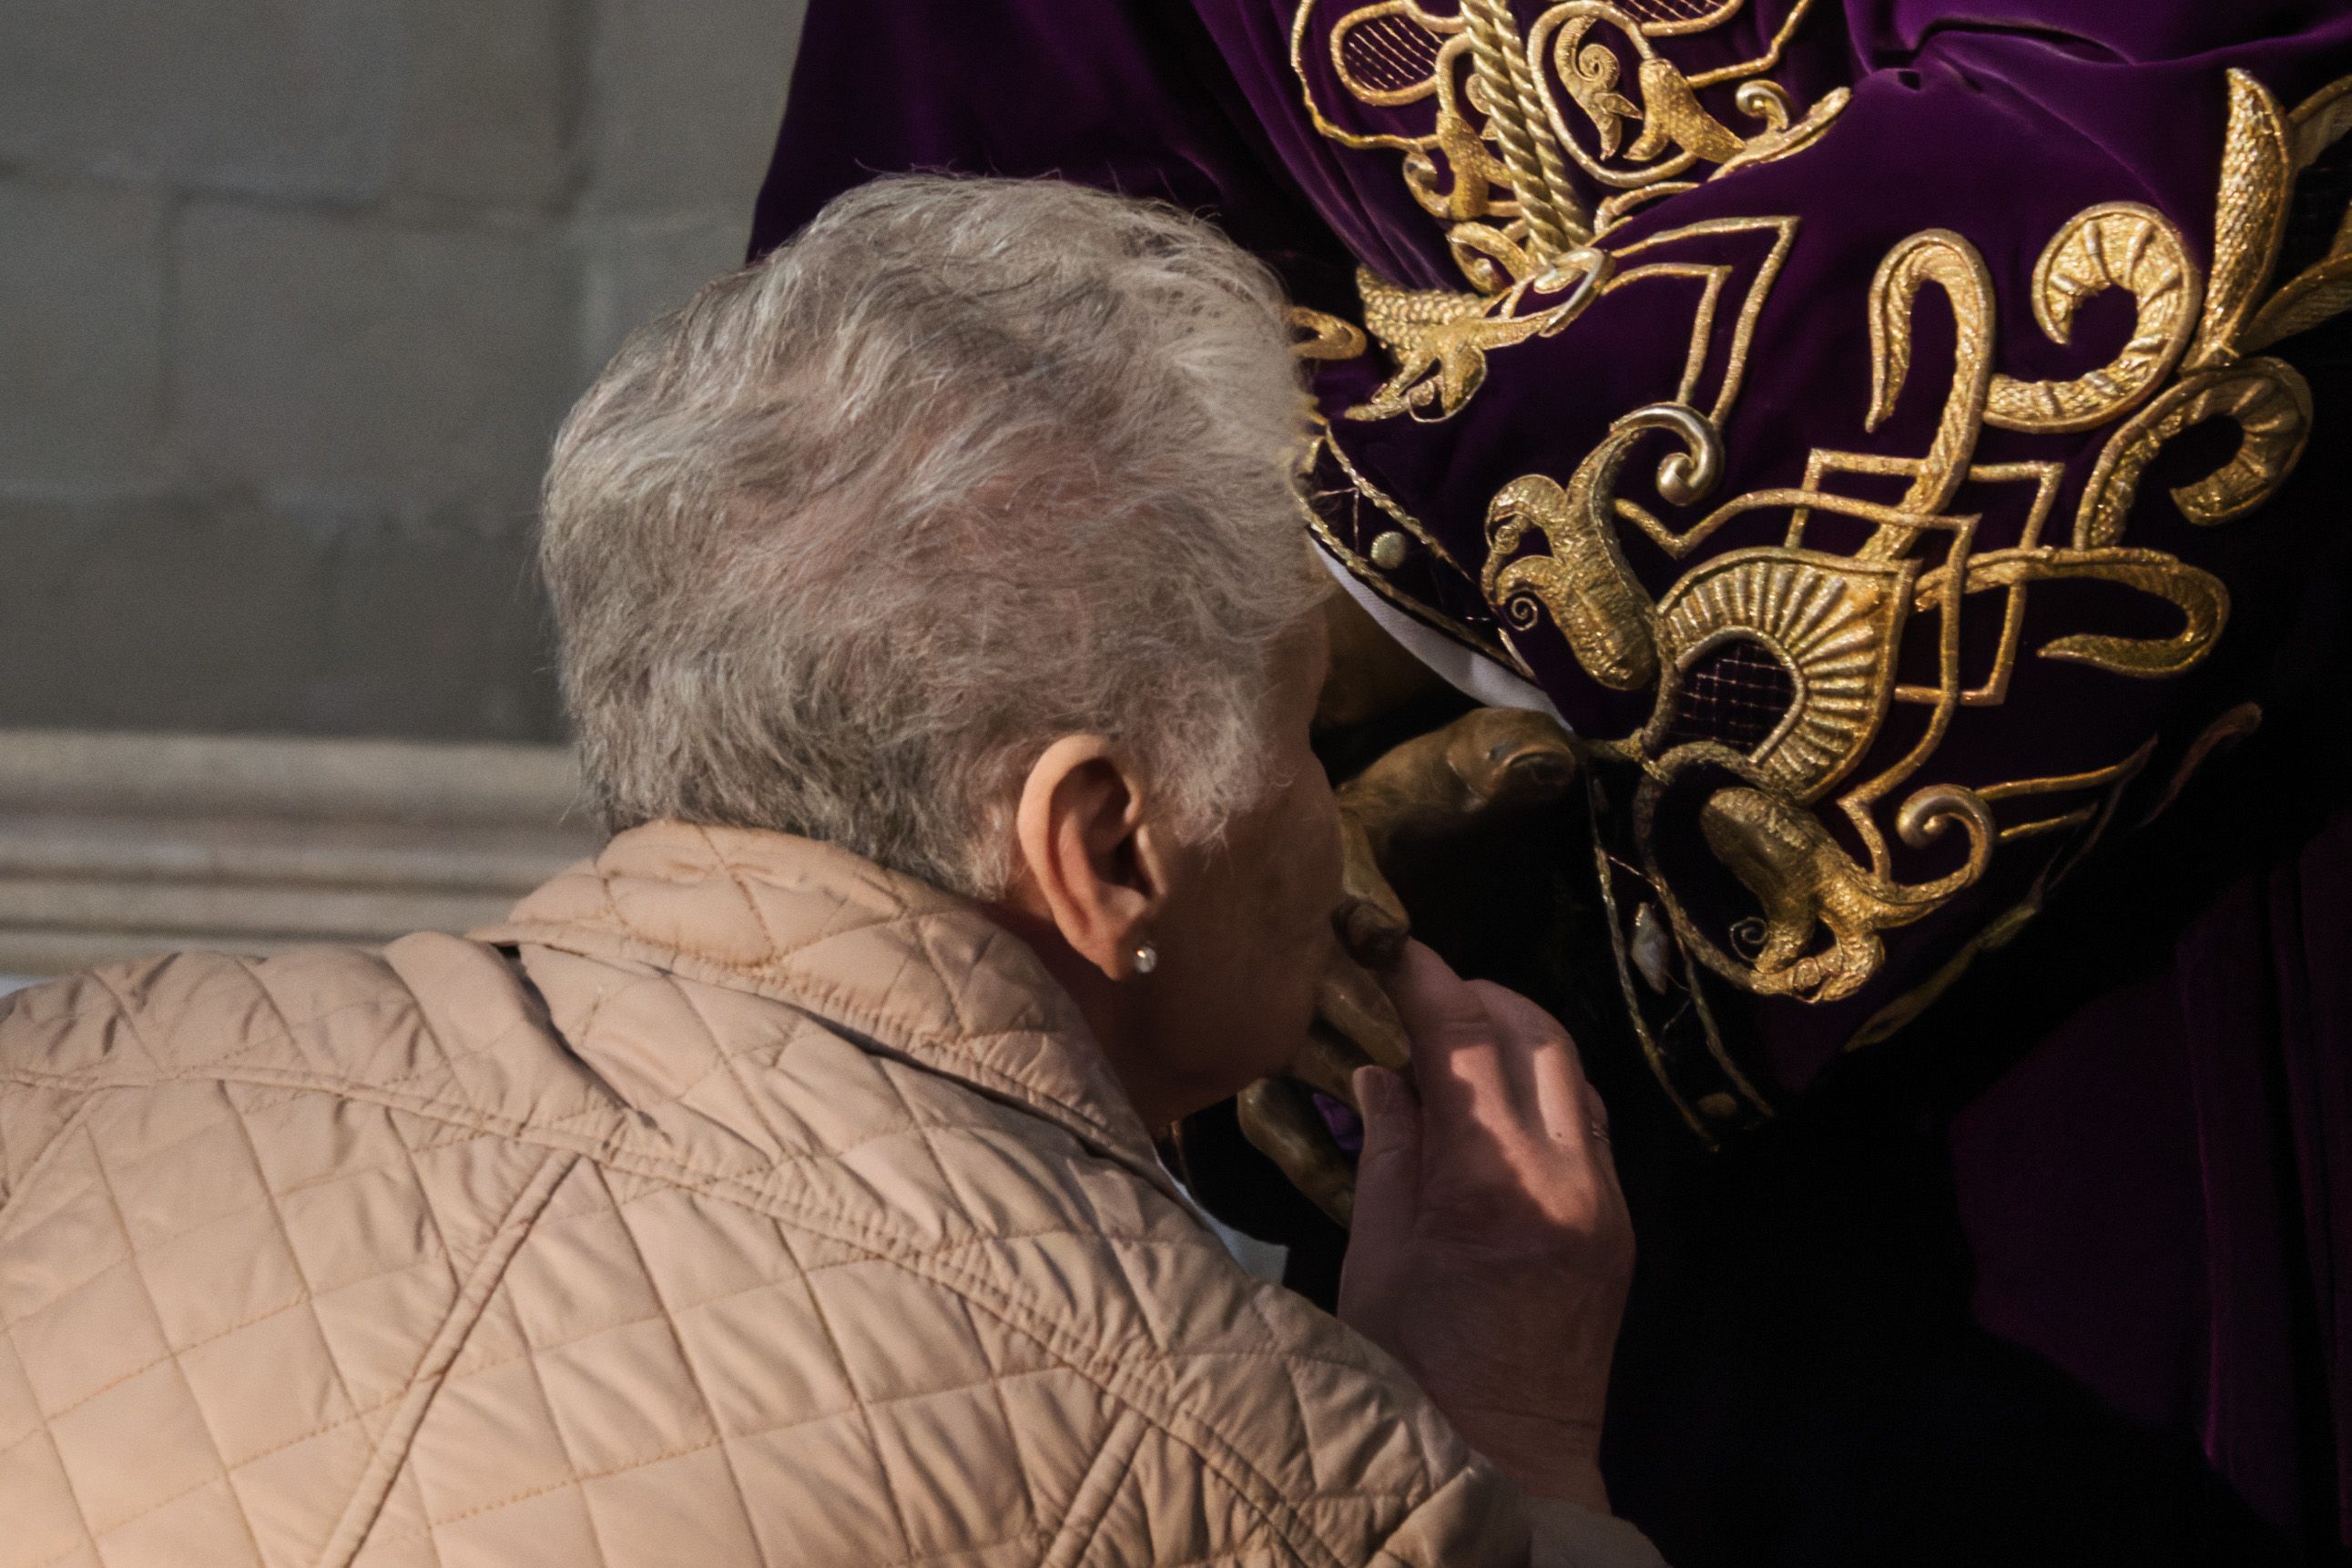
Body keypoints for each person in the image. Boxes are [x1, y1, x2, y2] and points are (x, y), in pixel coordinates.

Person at [0, 176, 1662, 1568]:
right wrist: (1500, 1437)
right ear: (1102, 849)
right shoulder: (1250, 1458)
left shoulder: (72, 1073)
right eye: (1306, 729)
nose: (1335, 802)